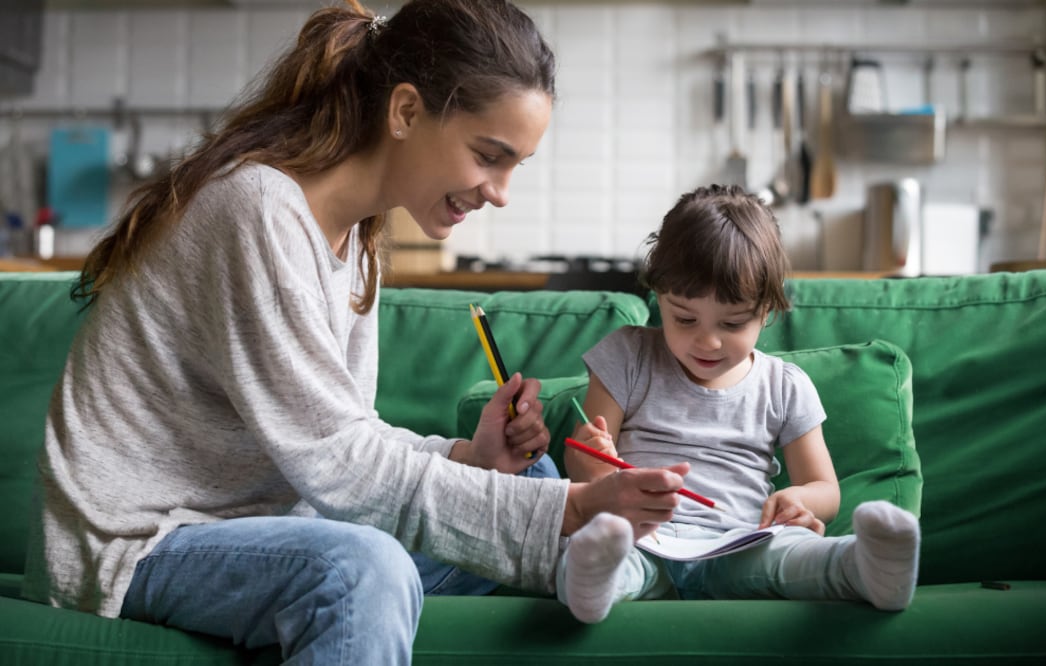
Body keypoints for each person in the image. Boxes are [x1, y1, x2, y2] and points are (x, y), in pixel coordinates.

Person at [21, 1, 692, 663]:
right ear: (405, 112)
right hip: (139, 543)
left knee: (532, 479)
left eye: (516, 165)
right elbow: (337, 462)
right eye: (489, 156)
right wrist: (569, 511)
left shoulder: (358, 240)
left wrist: (469, 457)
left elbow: (348, 436)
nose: (501, 191)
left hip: (270, 527)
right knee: (362, 571)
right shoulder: (258, 210)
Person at [558, 184, 921, 624]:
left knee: (793, 555)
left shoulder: (784, 386)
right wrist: (591, 462)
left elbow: (824, 489)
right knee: (601, 547)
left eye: (732, 323)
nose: (708, 341)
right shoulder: (627, 356)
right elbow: (586, 467)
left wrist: (798, 498)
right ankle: (591, 582)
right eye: (684, 318)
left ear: (766, 310)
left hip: (739, 543)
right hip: (642, 536)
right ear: (660, 296)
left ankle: (864, 567)